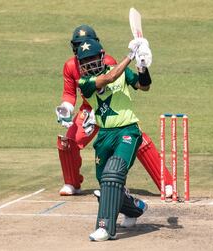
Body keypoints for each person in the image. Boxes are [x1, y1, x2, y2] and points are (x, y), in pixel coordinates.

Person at [56, 25, 173, 197]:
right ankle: (72, 183)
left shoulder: (108, 62)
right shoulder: (70, 66)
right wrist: (65, 108)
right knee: (67, 141)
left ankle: (166, 183)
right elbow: (69, 93)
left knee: (139, 140)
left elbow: (111, 84)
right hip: (87, 110)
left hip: (111, 109)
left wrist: (141, 66)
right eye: (80, 44)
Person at [75, 37, 152, 241]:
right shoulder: (84, 82)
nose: (89, 64)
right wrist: (130, 55)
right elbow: (108, 78)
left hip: (127, 131)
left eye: (92, 59)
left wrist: (142, 66)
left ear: (101, 57)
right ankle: (135, 208)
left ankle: (105, 228)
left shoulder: (121, 71)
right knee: (107, 186)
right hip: (104, 136)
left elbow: (144, 87)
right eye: (84, 61)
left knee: (113, 171)